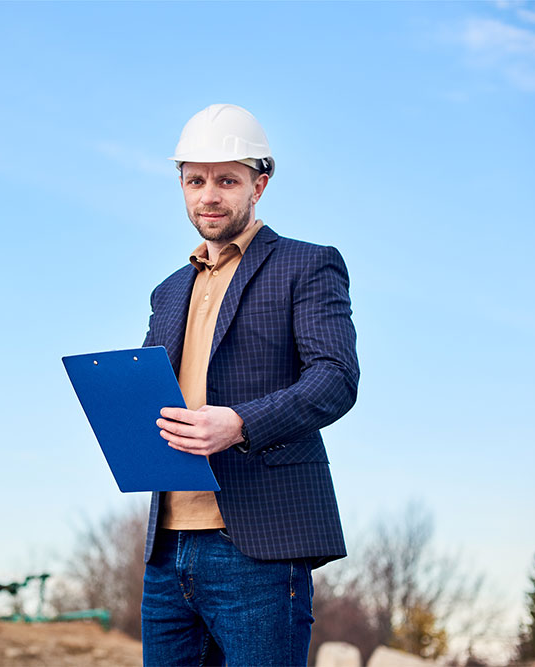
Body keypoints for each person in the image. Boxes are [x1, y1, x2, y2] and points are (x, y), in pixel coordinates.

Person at [141, 104, 359, 666]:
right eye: (195, 180)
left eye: (226, 180)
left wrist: (239, 424)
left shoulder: (308, 265)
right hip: (166, 547)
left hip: (258, 546)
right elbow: (150, 396)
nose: (209, 195)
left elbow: (335, 379)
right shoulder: (167, 292)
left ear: (258, 185)